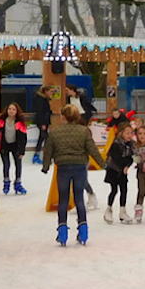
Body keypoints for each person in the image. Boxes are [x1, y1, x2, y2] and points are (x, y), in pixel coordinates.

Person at [42, 104, 105, 246]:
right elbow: (92, 149)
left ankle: (62, 232)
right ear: (77, 117)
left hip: (63, 168)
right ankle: (83, 231)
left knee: (63, 200)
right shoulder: (84, 131)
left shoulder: (55, 132)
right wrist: (102, 164)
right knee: (79, 200)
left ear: (62, 117)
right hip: (80, 167)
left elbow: (48, 151)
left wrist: (46, 166)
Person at [103, 122, 137, 225]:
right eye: (127, 133)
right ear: (121, 133)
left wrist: (127, 165)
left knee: (124, 190)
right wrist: (126, 164)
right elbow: (117, 158)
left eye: (131, 133)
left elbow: (131, 158)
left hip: (123, 171)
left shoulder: (131, 144)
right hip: (113, 170)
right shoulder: (116, 144)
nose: (130, 135)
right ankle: (108, 209)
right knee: (114, 190)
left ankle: (123, 211)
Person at [0, 103, 28, 196]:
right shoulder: (1, 122)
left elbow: (23, 138)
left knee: (18, 164)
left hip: (16, 146)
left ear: (17, 111)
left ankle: (18, 183)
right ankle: (6, 182)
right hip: (4, 145)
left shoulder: (20, 123)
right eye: (10, 109)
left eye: (13, 109)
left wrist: (22, 151)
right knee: (6, 164)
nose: (11, 111)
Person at [31, 85, 53, 164]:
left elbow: (44, 111)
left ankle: (36, 155)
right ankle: (46, 157)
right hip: (42, 122)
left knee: (41, 139)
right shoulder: (41, 100)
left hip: (44, 121)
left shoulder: (44, 99)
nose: (51, 93)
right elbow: (40, 112)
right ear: (45, 92)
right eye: (50, 91)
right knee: (47, 139)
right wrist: (42, 123)